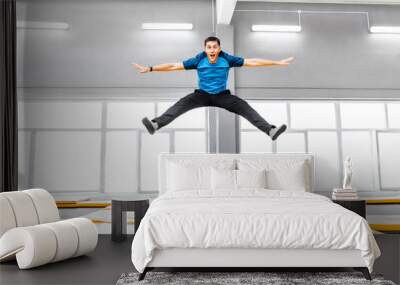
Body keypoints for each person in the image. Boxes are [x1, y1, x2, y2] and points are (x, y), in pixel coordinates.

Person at [132, 36, 294, 140]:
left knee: (245, 107)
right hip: (201, 95)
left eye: (214, 47)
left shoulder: (227, 59)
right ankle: (155, 125)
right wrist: (151, 68)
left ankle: (270, 131)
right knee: (180, 105)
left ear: (219, 48)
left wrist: (277, 62)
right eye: (209, 47)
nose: (212, 50)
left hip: (222, 96)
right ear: (205, 49)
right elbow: (173, 66)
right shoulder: (198, 60)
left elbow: (252, 62)